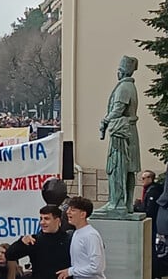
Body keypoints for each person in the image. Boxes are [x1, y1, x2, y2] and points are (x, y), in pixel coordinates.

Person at [97, 55, 140, 214]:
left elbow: (117, 110)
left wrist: (105, 120)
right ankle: (126, 203)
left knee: (118, 168)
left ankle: (117, 203)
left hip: (121, 134)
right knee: (128, 170)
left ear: (122, 72)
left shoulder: (124, 88)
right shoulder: (130, 87)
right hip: (129, 131)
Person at [6, 204, 71, 279]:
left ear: (57, 220)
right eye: (41, 218)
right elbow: (9, 255)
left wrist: (70, 271)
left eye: (46, 219)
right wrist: (21, 243)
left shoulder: (69, 239)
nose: (42, 222)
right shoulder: (34, 240)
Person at [56, 196, 106, 279]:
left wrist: (70, 271)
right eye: (68, 209)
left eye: (73, 210)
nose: (68, 212)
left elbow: (96, 268)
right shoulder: (76, 232)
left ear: (83, 214)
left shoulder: (91, 235)